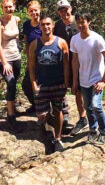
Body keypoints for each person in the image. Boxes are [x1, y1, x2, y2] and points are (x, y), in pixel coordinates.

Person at [71, 11, 105, 146]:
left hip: (96, 79)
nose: (80, 25)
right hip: (83, 79)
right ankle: (93, 130)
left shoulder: (97, 38)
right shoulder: (75, 39)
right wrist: (75, 81)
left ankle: (104, 130)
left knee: (96, 105)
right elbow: (75, 60)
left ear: (89, 22)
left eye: (83, 22)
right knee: (88, 107)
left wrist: (103, 80)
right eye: (78, 22)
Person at [29, 14, 70, 152]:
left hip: (58, 83)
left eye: (48, 24)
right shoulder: (35, 44)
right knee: (42, 114)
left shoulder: (61, 42)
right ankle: (47, 131)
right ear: (40, 27)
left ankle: (58, 139)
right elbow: (32, 66)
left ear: (52, 26)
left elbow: (66, 64)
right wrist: (34, 84)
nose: (46, 27)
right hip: (42, 84)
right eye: (43, 24)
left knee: (58, 111)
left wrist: (66, 82)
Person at [53, 0, 87, 135]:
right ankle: (64, 116)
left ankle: (83, 118)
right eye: (61, 10)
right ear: (58, 12)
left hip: (80, 63)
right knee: (62, 89)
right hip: (64, 63)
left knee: (79, 91)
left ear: (71, 9)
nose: (64, 12)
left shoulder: (78, 22)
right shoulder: (57, 26)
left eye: (66, 9)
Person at [0, 0, 21, 129]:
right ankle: (10, 116)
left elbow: (17, 38)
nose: (8, 9)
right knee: (10, 82)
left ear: (14, 7)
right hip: (5, 59)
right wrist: (4, 63)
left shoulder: (16, 19)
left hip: (16, 57)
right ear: (2, 8)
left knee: (14, 84)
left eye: (11, 7)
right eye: (6, 7)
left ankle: (12, 109)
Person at [21, 0, 42, 115]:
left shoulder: (44, 23)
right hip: (32, 59)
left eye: (36, 10)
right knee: (27, 84)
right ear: (28, 13)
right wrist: (29, 59)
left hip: (44, 59)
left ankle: (44, 108)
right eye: (31, 11)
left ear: (40, 10)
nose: (34, 13)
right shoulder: (26, 25)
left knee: (42, 84)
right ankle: (35, 105)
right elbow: (26, 42)